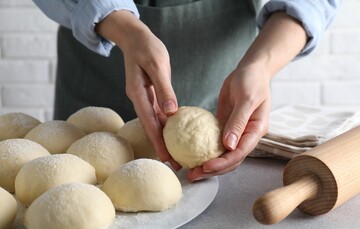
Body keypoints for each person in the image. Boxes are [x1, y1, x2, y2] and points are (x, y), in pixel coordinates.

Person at [33, 0, 342, 181]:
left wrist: (259, 67)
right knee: (71, 180)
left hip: (225, 79)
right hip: (100, 63)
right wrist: (124, 29)